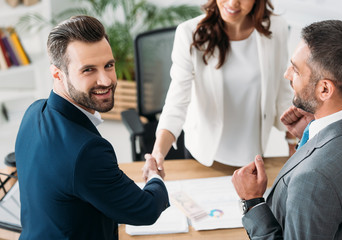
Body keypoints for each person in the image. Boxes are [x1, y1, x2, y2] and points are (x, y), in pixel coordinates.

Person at [15, 16, 169, 240]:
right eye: (88, 70)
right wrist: (155, 178)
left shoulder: (33, 112)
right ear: (57, 74)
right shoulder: (87, 151)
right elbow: (145, 210)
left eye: (108, 65)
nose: (106, 80)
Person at [232, 19, 342, 239]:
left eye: (296, 70)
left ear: (325, 89)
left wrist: (252, 202)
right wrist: (308, 137)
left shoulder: (313, 179)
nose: (287, 74)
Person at [149, 0, 294, 172]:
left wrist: (293, 143)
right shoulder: (189, 33)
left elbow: (283, 90)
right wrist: (157, 153)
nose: (233, 3)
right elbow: (176, 102)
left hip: (252, 156)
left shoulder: (276, 28)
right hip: (205, 156)